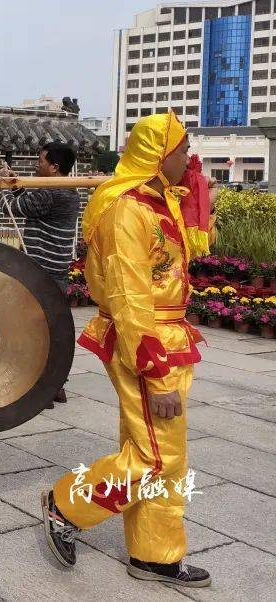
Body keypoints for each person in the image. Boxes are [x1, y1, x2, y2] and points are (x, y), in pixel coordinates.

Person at [41, 111, 214, 589]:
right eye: (182, 149)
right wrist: (155, 371)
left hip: (168, 335)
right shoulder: (127, 211)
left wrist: (197, 199)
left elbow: (184, 255)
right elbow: (129, 295)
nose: (188, 157)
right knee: (158, 459)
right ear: (159, 155)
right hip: (147, 341)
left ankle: (155, 555)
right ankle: (67, 504)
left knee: (159, 451)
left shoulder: (159, 202)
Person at [0, 142, 81, 406]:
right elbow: (32, 203)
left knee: (34, 331)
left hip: (41, 271)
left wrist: (1, 187)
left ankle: (41, 390)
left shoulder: (50, 191)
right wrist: (15, 186)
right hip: (55, 270)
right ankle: (57, 386)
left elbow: (13, 208)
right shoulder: (68, 190)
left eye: (41, 161)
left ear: (54, 167)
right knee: (53, 329)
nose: (37, 164)